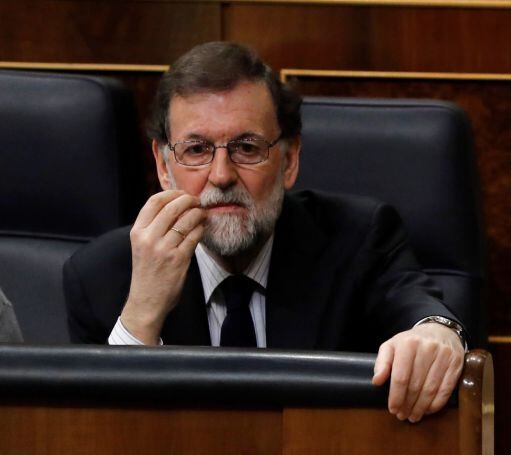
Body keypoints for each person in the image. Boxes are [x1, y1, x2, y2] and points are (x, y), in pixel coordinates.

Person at [64, 41, 467, 423]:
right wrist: (142, 317)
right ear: (164, 166)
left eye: (247, 148)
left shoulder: (359, 239)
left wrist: (436, 332)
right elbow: (92, 435)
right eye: (197, 150)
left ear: (289, 160)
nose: (221, 176)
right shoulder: (101, 276)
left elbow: (422, 314)